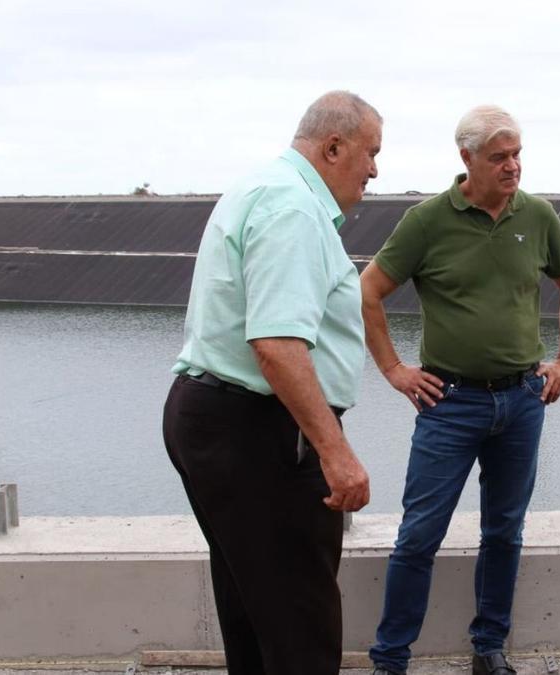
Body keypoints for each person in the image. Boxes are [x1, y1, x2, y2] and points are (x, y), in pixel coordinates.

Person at [363, 105, 560, 675]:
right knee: (419, 535)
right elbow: (367, 292)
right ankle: (390, 660)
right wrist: (394, 370)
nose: (513, 166)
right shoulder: (426, 221)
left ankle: (488, 649)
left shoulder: (537, 216)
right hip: (449, 404)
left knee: (505, 532)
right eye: (499, 157)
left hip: (521, 401)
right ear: (466, 159)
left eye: (517, 155)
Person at [162, 91, 380, 675]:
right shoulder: (292, 208)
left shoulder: (262, 187)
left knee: (255, 609)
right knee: (300, 626)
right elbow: (278, 347)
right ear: (333, 148)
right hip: (260, 431)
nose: (375, 170)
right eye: (370, 153)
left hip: (218, 417)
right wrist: (336, 452)